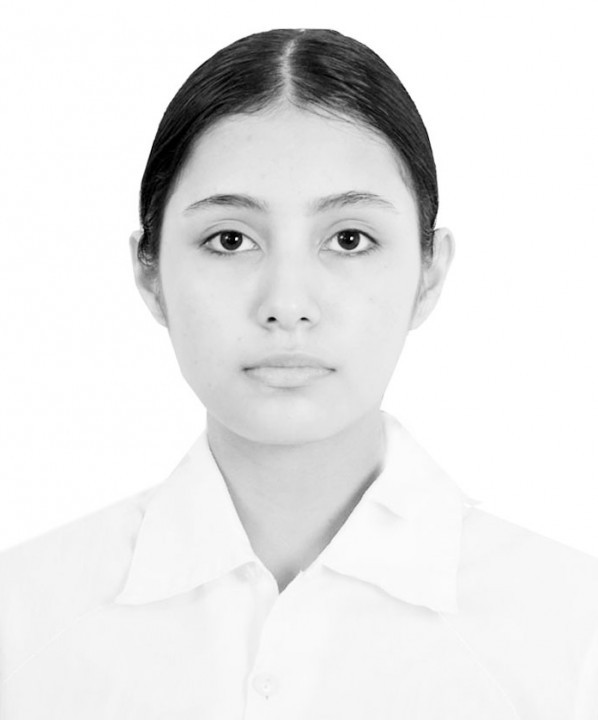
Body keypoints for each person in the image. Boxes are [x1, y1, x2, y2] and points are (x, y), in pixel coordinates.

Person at [0, 27, 597, 719]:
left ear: (429, 272)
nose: (287, 304)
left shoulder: (572, 633)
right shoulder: (24, 620)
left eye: (349, 239)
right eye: (230, 239)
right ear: (149, 272)